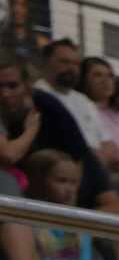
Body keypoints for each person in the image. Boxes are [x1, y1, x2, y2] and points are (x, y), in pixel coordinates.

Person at [0, 48, 110, 208]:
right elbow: (7, 155)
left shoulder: (47, 105)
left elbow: (78, 155)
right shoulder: (34, 119)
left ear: (27, 87)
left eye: (12, 86)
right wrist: (31, 129)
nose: (4, 94)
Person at [2, 146, 105, 260]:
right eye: (61, 181)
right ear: (38, 180)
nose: (69, 189)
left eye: (74, 183)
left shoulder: (81, 227)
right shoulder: (26, 222)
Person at [35, 36, 98, 152]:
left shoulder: (83, 100)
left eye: (76, 64)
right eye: (65, 62)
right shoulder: (37, 96)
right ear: (45, 62)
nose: (71, 68)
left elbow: (106, 142)